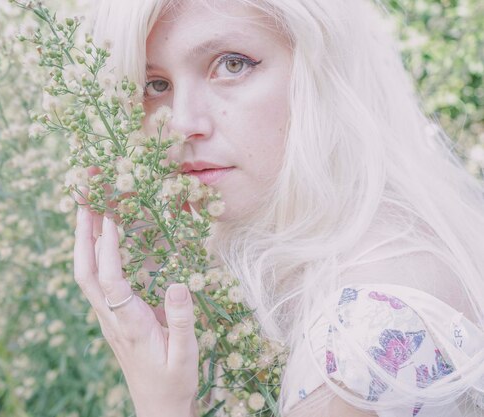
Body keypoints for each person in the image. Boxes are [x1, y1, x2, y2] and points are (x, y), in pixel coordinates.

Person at [74, 0, 484, 416]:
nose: (180, 123)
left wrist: (161, 403)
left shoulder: (363, 340)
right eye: (155, 85)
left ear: (321, 66)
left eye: (231, 65)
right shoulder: (324, 257)